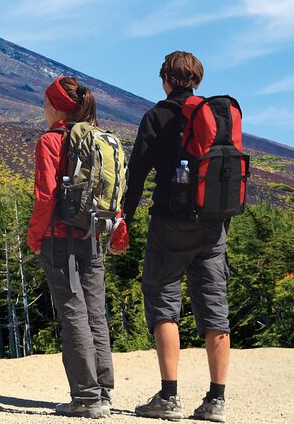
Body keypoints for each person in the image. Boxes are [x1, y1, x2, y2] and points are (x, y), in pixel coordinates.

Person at [116, 51, 230, 422]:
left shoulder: (157, 116)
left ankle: (169, 397)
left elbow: (136, 177)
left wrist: (124, 220)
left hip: (170, 222)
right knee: (215, 307)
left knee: (163, 300)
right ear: (197, 78)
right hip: (213, 223)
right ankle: (216, 401)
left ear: (166, 77)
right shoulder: (217, 114)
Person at [27, 76, 114, 419]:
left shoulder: (50, 141)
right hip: (91, 235)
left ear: (56, 106)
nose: (43, 107)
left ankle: (86, 398)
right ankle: (103, 393)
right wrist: (116, 233)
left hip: (58, 238)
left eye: (46, 101)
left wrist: (35, 236)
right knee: (95, 312)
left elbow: (46, 196)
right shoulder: (96, 139)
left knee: (73, 313)